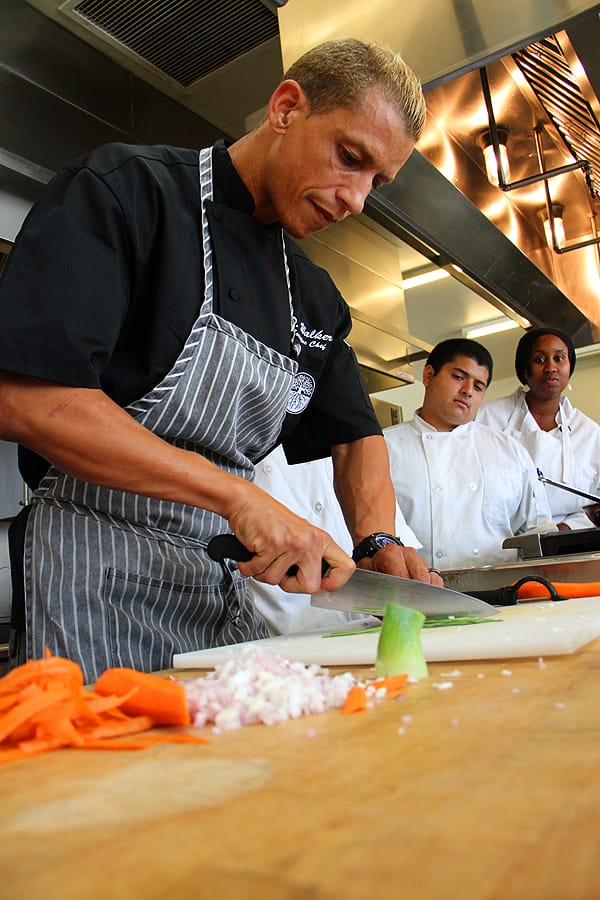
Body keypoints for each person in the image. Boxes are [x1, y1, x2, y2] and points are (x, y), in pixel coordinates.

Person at [0, 38, 439, 681]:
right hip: (90, 580)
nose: (356, 199)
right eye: (350, 158)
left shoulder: (314, 295)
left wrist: (378, 538)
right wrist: (237, 497)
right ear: (286, 108)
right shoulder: (128, 191)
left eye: (377, 181)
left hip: (219, 591)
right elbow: (29, 398)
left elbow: (354, 436)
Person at [384, 339, 555, 570]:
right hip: (414, 588)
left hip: (502, 587)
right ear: (428, 375)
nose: (468, 391)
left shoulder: (508, 450)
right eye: (458, 377)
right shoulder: (385, 447)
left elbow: (538, 529)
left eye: (478, 386)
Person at [250, 444, 424, 634]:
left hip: (372, 630)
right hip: (280, 637)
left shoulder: (361, 449)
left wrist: (382, 548)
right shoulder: (243, 451)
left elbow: (388, 543)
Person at [477, 328, 600, 531]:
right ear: (525, 369)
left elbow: (596, 503)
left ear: (569, 367)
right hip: (498, 537)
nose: (551, 367)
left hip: (570, 539)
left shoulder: (590, 433)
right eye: (540, 360)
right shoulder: (486, 418)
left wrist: (565, 530)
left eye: (559, 359)